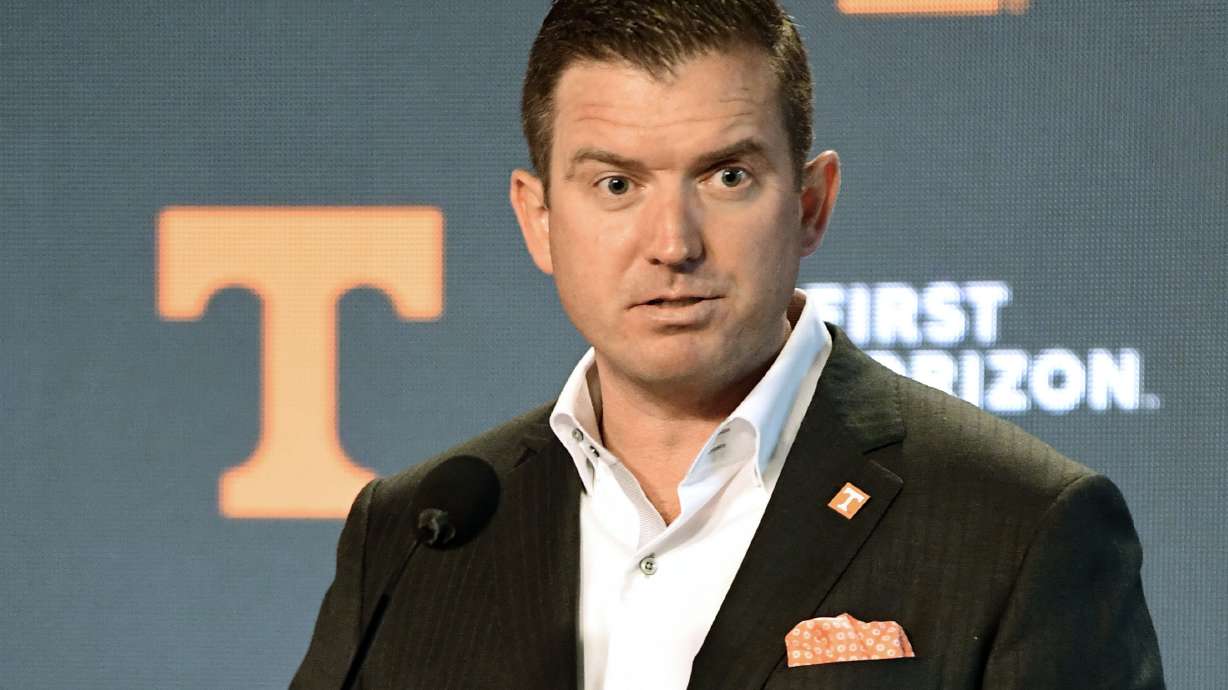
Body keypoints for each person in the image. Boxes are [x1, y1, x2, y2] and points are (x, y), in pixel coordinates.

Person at [292, 1, 1164, 688]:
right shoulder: (414, 537)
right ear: (538, 218)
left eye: (727, 176)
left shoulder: (1018, 525)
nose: (673, 241)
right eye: (616, 183)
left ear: (812, 202)